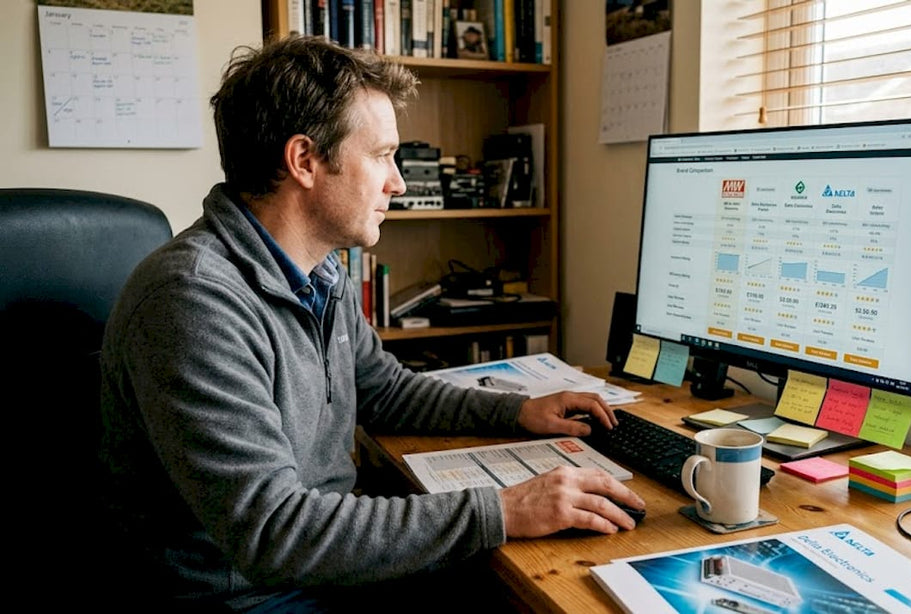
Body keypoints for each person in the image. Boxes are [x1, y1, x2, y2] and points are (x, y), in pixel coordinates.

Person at [98, 34, 644, 611]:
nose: (399, 182)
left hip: (317, 569)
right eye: (382, 155)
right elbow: (274, 531)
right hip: (249, 595)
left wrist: (516, 410)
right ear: (304, 161)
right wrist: (505, 508)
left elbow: (382, 388)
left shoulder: (316, 268)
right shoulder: (193, 303)